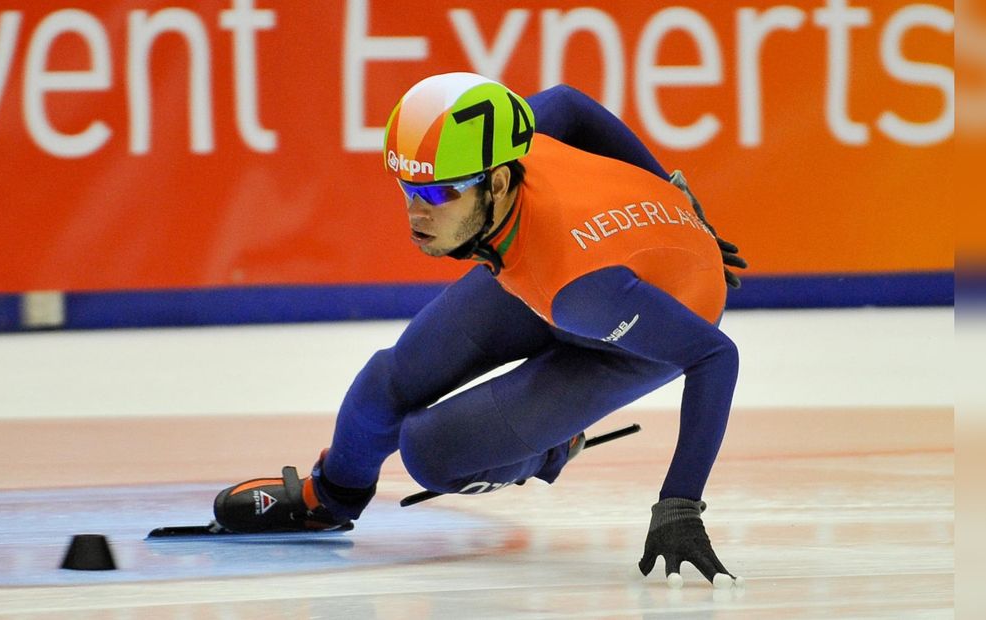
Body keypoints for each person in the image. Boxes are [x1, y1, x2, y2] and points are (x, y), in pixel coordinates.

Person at [213, 72, 747, 587]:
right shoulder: (509, 143)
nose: (418, 213)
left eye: (442, 195)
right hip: (562, 267)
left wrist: (679, 502)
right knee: (385, 385)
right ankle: (325, 501)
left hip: (631, 326)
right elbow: (568, 103)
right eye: (408, 189)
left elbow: (715, 357)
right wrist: (672, 191)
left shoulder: (580, 289)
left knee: (431, 453)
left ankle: (553, 448)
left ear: (495, 183)